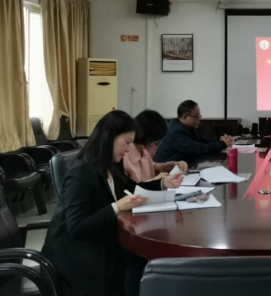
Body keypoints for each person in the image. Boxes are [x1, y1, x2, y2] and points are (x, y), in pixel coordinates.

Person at [41, 111, 183, 296]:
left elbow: (130, 187)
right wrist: (117, 207)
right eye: (127, 142)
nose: (129, 148)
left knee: (140, 260)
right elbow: (76, 226)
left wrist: (162, 183)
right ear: (110, 137)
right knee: (135, 262)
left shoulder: (111, 163)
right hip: (75, 256)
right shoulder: (82, 172)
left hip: (99, 239)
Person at [154, 100, 233, 164]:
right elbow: (198, 149)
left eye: (199, 116)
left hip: (181, 166)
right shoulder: (176, 132)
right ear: (185, 117)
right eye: (196, 116)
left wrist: (221, 140)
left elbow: (204, 141)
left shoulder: (189, 127)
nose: (199, 119)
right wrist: (222, 144)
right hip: (166, 171)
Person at [124, 109, 189, 183]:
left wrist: (174, 165)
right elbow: (131, 187)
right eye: (155, 140)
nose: (155, 144)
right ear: (147, 135)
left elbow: (153, 167)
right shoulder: (125, 157)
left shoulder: (143, 150)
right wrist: (154, 181)